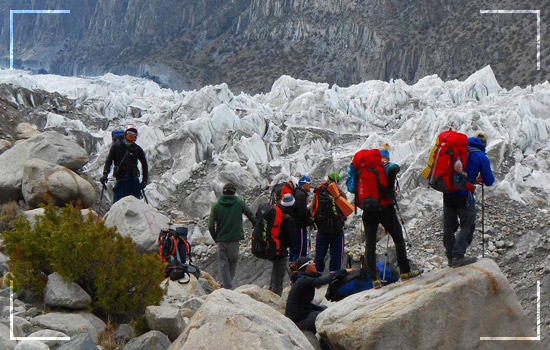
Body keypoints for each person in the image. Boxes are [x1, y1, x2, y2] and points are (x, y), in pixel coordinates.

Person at [361, 145, 422, 289]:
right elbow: (394, 172)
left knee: (370, 245)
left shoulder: (363, 170)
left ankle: (374, 279)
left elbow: (353, 188)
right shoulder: (386, 167)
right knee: (398, 239)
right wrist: (391, 191)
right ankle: (405, 272)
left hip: (368, 210)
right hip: (385, 209)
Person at [443, 131, 495, 267]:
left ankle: (450, 257)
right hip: (464, 195)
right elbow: (489, 181)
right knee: (468, 224)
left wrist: (472, 178)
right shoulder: (480, 156)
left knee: (449, 225)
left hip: (447, 192)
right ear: (484, 144)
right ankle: (458, 256)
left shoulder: (457, 150)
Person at [285, 256, 353, 333]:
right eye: (310, 263)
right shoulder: (304, 280)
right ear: (305, 267)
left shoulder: (304, 278)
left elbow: (305, 304)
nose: (314, 264)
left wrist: (318, 308)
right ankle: (324, 343)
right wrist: (343, 271)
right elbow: (325, 280)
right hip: (298, 320)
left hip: (302, 314)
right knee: (326, 318)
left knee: (324, 308)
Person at [208, 183, 255, 289]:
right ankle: (228, 284)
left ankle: (226, 285)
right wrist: (256, 225)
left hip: (221, 240)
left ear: (223, 192)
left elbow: (210, 226)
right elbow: (251, 215)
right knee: (233, 263)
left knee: (223, 264)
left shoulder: (216, 205)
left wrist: (216, 238)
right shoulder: (239, 202)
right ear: (234, 192)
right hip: (234, 240)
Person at [100, 124, 148, 203]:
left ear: (135, 137)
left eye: (134, 134)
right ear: (125, 134)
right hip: (122, 180)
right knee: (120, 205)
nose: (131, 135)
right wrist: (105, 174)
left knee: (132, 207)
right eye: (129, 133)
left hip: (133, 181)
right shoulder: (116, 147)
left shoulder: (137, 149)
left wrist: (144, 181)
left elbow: (144, 165)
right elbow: (109, 161)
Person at [311, 172, 346, 274]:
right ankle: (334, 277)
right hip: (337, 229)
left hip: (323, 229)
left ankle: (316, 278)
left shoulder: (319, 192)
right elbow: (345, 210)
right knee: (336, 254)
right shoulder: (339, 193)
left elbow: (313, 208)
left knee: (320, 254)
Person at [269, 193, 297, 295]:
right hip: (280, 249)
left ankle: (270, 293)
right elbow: (292, 241)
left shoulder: (275, 211)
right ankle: (275, 300)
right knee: (278, 280)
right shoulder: (288, 219)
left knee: (274, 275)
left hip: (270, 246)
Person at [289, 176, 314, 263]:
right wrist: (308, 221)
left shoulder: (296, 193)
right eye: (309, 184)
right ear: (305, 184)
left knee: (294, 248)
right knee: (300, 249)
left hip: (294, 225)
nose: (310, 186)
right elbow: (301, 212)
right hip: (299, 226)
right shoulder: (300, 196)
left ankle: (292, 267)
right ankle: (298, 270)